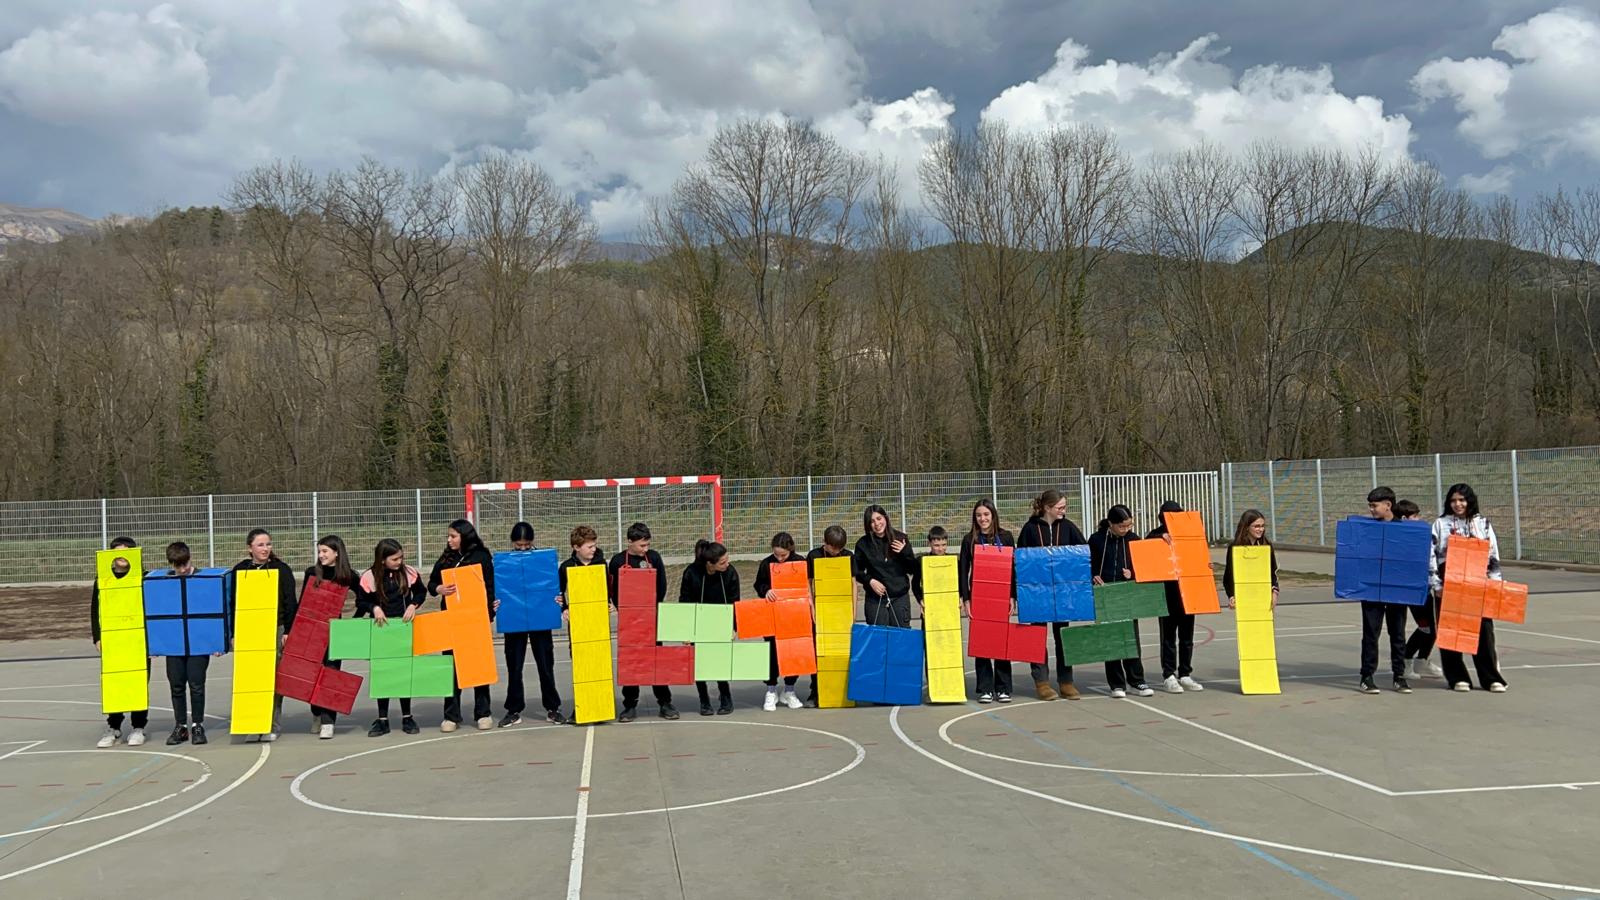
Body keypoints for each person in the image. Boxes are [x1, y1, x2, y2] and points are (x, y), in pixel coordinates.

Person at [1430, 484, 1509, 693]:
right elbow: (1431, 555)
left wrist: (1494, 583)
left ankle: (1491, 678)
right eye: (1453, 500)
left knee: (1484, 632)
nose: (1458, 504)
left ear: (1469, 501)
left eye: (1462, 500)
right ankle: (1457, 677)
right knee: (1451, 630)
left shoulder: (1482, 523)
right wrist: (1436, 584)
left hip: (1477, 582)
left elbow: (1493, 555)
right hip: (1450, 582)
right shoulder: (1440, 524)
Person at [1017, 490, 1089, 701]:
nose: (1063, 511)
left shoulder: (1068, 527)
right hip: (1037, 593)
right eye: (1060, 507)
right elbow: (1021, 560)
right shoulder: (1030, 529)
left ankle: (1066, 682)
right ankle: (1041, 682)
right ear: (1047, 508)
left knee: (1063, 636)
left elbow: (1083, 552)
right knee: (1037, 637)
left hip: (1063, 593)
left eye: (1064, 507)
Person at [426, 518, 496, 732]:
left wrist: (489, 613)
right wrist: (439, 589)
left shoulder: (481, 556)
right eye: (448, 536)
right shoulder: (446, 558)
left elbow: (490, 586)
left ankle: (483, 713)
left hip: (475, 620)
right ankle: (451, 715)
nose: (449, 540)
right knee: (452, 668)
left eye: (453, 536)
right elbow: (431, 583)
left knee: (478, 666)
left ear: (464, 536)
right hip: (451, 620)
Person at [231, 528, 298, 742]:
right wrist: (233, 633)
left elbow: (290, 602)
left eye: (268, 544)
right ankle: (253, 723)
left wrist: (288, 631)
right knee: (251, 679)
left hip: (275, 628)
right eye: (260, 545)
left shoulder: (281, 569)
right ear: (249, 548)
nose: (265, 548)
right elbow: (232, 603)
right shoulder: (240, 570)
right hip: (249, 631)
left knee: (273, 679)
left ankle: (271, 725)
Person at [499, 522, 567, 728]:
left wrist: (559, 600)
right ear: (512, 543)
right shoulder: (503, 563)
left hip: (540, 618)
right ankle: (513, 709)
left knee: (545, 665)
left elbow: (556, 587)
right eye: (518, 545)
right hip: (514, 618)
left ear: (532, 542)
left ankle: (552, 707)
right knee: (514, 666)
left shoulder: (543, 561)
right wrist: (496, 603)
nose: (522, 549)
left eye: (526, 545)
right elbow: (496, 589)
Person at [355, 539, 424, 736]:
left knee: (403, 674)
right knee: (382, 674)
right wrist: (374, 608)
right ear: (382, 560)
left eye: (401, 557)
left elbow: (421, 592)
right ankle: (382, 720)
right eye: (394, 559)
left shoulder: (409, 573)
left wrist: (413, 605)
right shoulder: (369, 577)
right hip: (381, 630)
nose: (399, 562)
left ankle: (407, 717)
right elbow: (361, 601)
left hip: (403, 629)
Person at [609, 523, 678, 721]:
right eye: (642, 545)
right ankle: (630, 705)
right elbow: (613, 589)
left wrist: (651, 609)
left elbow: (661, 585)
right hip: (629, 620)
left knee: (656, 659)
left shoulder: (654, 558)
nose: (645, 549)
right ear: (629, 542)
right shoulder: (618, 561)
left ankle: (665, 702)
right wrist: (624, 609)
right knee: (631, 661)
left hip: (650, 618)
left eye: (647, 545)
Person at [1088, 505, 1152, 698]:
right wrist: (1093, 576)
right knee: (1111, 638)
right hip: (1105, 595)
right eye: (1122, 526)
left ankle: (1137, 680)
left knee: (1131, 637)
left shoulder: (1134, 540)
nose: (1126, 529)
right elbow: (1087, 564)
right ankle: (1116, 684)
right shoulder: (1096, 540)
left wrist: (1133, 573)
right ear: (1111, 524)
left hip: (1127, 595)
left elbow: (1145, 566)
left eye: (1129, 525)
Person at [92, 536, 149, 748]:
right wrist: (97, 636)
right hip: (113, 638)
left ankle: (138, 727)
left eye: (126, 552)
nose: (121, 557)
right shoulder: (103, 579)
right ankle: (114, 727)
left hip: (137, 639)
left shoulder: (143, 577)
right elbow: (95, 609)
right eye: (117, 553)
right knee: (114, 683)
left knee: (138, 682)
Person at [163, 541, 221, 746]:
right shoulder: (165, 582)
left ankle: (197, 725)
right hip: (175, 644)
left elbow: (215, 611)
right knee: (176, 686)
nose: (182, 569)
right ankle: (180, 726)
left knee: (196, 685)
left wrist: (216, 642)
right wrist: (156, 645)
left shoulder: (203, 580)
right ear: (171, 564)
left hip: (198, 643)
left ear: (190, 559)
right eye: (177, 566)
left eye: (185, 564)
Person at [959, 500, 1015, 703]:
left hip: (1001, 596)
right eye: (978, 515)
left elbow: (1013, 568)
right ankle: (985, 688)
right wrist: (966, 599)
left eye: (986, 514)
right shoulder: (969, 540)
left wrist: (1012, 596)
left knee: (1001, 643)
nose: (982, 518)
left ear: (993, 515)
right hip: (979, 596)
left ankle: (1003, 688)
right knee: (982, 643)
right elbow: (963, 571)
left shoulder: (1006, 537)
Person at [1357, 487, 1412, 695]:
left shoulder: (1405, 530)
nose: (1371, 509)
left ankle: (1399, 676)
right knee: (1371, 633)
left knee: (1397, 633)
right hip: (1372, 588)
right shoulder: (1366, 529)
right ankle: (1367, 676)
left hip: (1396, 588)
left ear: (1388, 505)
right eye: (1370, 505)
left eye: (1374, 505)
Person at [304, 535, 356, 739]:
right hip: (312, 631)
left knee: (331, 674)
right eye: (319, 551)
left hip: (335, 632)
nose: (321, 555)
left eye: (325, 551)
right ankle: (316, 713)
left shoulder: (347, 576)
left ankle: (328, 721)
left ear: (336, 553)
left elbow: (365, 597)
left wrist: (352, 622)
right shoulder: (311, 573)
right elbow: (303, 603)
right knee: (313, 675)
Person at [682, 539, 740, 716]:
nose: (727, 564)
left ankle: (725, 696)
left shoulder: (730, 573)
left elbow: (735, 601)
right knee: (700, 663)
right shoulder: (691, 573)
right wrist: (686, 631)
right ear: (709, 563)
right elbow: (684, 601)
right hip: (698, 622)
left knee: (719, 661)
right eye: (722, 562)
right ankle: (704, 699)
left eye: (727, 560)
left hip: (720, 621)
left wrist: (734, 627)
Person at [1222, 508, 1280, 684]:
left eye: (1262, 526)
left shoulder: (1266, 546)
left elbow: (1273, 572)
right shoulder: (1235, 547)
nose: (1260, 529)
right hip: (1245, 598)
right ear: (1246, 527)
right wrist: (1232, 595)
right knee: (1249, 638)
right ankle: (1251, 675)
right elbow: (1228, 576)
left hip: (1262, 598)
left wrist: (1274, 591)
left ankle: (1265, 674)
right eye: (1256, 526)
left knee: (1263, 637)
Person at [1151, 501, 1205, 693]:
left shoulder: (1188, 535)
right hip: (1166, 595)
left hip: (1187, 594)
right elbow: (1145, 548)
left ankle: (1185, 673)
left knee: (1187, 637)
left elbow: (1199, 556)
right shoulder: (1156, 534)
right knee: (1168, 638)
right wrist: (1160, 537)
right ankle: (1169, 675)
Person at [802, 525, 853, 707]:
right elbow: (808, 583)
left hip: (841, 612)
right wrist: (812, 608)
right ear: (825, 543)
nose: (836, 552)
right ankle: (815, 692)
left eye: (840, 548)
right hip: (821, 610)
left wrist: (853, 612)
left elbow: (853, 584)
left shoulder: (848, 556)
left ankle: (843, 690)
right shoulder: (814, 556)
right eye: (833, 548)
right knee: (818, 652)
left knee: (842, 651)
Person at [753, 532, 804, 711]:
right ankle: (771, 690)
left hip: (793, 616)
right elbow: (758, 584)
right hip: (772, 616)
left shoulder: (799, 562)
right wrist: (766, 590)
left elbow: (805, 586)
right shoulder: (766, 563)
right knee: (772, 652)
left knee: (793, 652)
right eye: (777, 555)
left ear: (791, 550)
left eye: (783, 555)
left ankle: (789, 690)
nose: (780, 559)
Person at [1396, 499, 1443, 680]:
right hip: (1411, 589)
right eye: (1414, 516)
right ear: (1404, 518)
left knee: (1434, 626)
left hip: (1426, 587)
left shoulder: (1423, 534)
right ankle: (1406, 660)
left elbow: (1432, 557)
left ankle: (1422, 660)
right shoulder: (1400, 538)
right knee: (1426, 627)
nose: (1418, 519)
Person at [853, 505, 917, 628]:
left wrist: (905, 552)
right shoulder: (863, 544)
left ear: (885, 518)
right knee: (879, 636)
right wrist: (870, 581)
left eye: (879, 518)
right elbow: (857, 571)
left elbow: (912, 569)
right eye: (872, 521)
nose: (877, 524)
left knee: (900, 636)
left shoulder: (900, 539)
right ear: (868, 525)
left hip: (899, 597)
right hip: (875, 599)